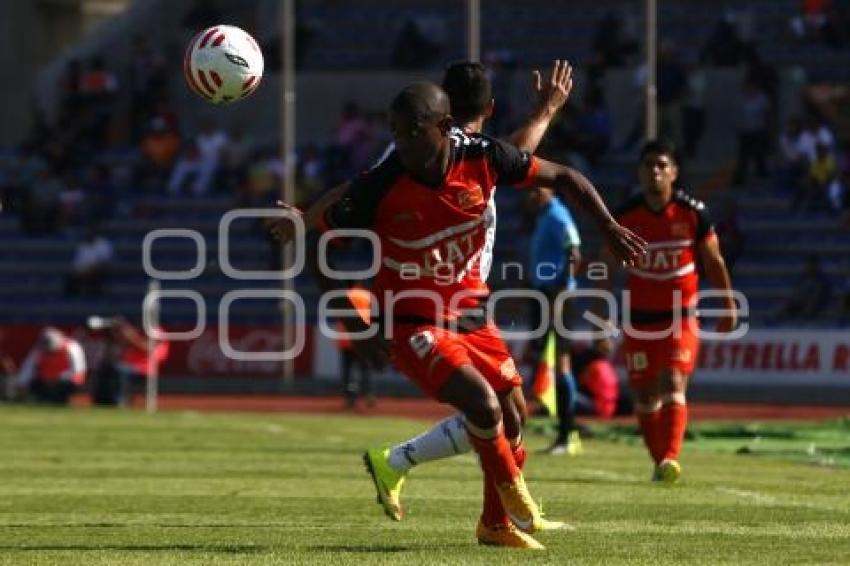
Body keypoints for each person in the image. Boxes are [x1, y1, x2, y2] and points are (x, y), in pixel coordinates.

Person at [308, 82, 645, 549]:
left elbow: (562, 175)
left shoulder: (483, 157)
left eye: (410, 133)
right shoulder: (381, 184)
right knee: (483, 404)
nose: (400, 143)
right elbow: (320, 241)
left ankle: (494, 525)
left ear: (444, 127)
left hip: (470, 313)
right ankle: (515, 496)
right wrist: (352, 320)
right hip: (413, 322)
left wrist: (607, 225)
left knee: (514, 413)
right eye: (395, 133)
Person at [270, 59, 574, 537]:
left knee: (510, 411)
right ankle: (499, 502)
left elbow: (515, 153)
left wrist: (308, 216)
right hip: (423, 305)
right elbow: (358, 194)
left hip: (468, 299)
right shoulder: (410, 160)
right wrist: (547, 111)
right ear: (489, 109)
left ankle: (480, 511)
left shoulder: (468, 153)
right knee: (487, 408)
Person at [602, 139, 736, 484]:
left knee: (673, 382)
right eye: (649, 165)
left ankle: (671, 458)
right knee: (645, 397)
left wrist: (728, 304)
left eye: (662, 165)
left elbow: (714, 260)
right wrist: (602, 315)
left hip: (681, 317)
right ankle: (661, 460)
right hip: (639, 321)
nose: (655, 172)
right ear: (639, 172)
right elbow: (605, 267)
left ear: (674, 172)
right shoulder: (626, 215)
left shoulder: (693, 213)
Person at [524, 186, 583, 456]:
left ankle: (567, 434)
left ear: (549, 190)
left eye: (536, 191)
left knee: (561, 361)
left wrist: (560, 287)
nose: (532, 197)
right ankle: (565, 434)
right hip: (546, 294)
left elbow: (574, 250)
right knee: (553, 360)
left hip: (556, 295)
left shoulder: (558, 214)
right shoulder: (545, 216)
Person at [90, 317, 169, 407]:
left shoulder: (156, 332)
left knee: (121, 370)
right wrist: (117, 332)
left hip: (145, 368)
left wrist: (130, 335)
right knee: (104, 368)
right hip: (127, 365)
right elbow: (122, 344)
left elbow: (146, 348)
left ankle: (122, 400)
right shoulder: (137, 331)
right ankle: (101, 400)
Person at [15, 328, 86, 405]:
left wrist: (59, 378)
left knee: (64, 388)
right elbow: (28, 367)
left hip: (65, 382)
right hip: (44, 381)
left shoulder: (72, 347)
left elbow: (78, 370)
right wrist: (22, 383)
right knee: (35, 385)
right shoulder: (39, 349)